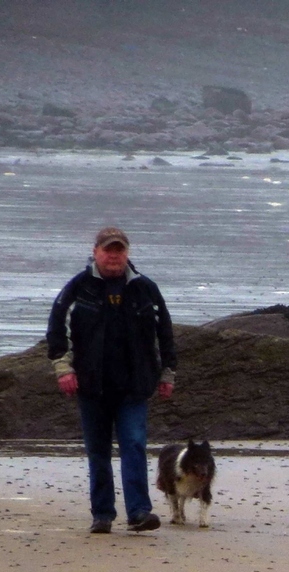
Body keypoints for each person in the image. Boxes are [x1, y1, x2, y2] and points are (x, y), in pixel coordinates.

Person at [46, 226, 176, 534]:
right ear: (96, 252)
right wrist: (64, 370)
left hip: (135, 385)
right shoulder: (78, 288)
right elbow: (56, 330)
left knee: (134, 444)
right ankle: (102, 515)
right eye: (108, 250)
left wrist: (167, 374)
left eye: (119, 250)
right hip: (92, 385)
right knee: (98, 451)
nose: (113, 256)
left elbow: (165, 334)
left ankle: (139, 513)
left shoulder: (146, 288)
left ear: (127, 253)